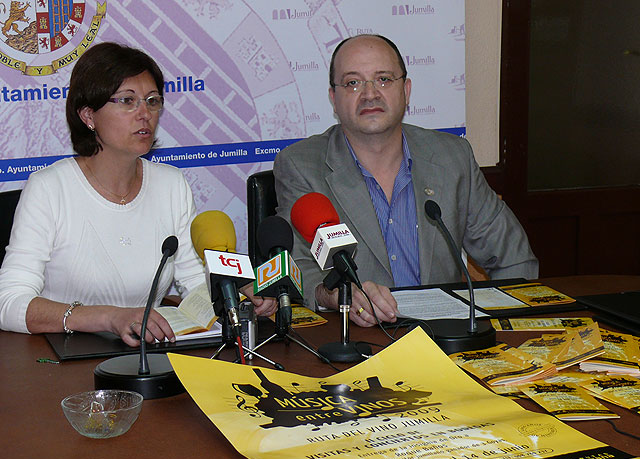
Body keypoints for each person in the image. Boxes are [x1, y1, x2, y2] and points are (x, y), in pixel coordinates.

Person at [0, 42, 275, 345]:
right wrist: (108, 317)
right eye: (128, 101)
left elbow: (194, 283)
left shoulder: (171, 185)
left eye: (152, 101)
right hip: (63, 362)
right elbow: (9, 303)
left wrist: (234, 292)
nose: (144, 114)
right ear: (88, 116)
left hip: (148, 356)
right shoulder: (49, 188)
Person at [273, 34, 538, 327]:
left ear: (406, 90)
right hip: (361, 343)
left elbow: (513, 258)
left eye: (384, 79)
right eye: (352, 82)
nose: (370, 93)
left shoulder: (452, 158)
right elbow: (296, 266)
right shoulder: (301, 166)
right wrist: (336, 297)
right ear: (334, 99)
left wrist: (506, 329)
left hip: (446, 338)